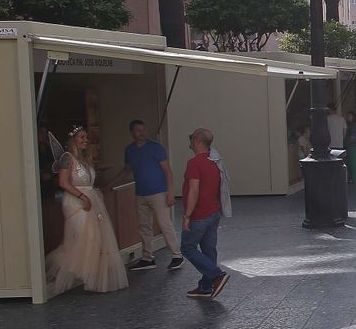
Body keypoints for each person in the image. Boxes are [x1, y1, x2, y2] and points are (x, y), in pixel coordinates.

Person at [45, 126, 128, 295]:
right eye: (82, 137)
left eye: (86, 137)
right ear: (73, 139)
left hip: (91, 198)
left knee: (95, 237)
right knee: (84, 236)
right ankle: (63, 270)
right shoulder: (67, 158)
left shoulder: (85, 158)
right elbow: (63, 182)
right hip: (76, 201)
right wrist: (82, 196)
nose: (86, 140)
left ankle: (91, 275)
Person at [123, 120, 183, 272]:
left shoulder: (156, 148)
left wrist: (170, 192)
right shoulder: (129, 150)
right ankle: (147, 257)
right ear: (132, 132)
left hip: (158, 192)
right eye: (138, 130)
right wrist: (111, 183)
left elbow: (167, 171)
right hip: (141, 193)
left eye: (143, 130)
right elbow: (127, 169)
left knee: (165, 224)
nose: (141, 133)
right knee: (144, 226)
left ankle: (177, 255)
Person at [181, 127, 230, 300]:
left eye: (191, 137)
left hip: (199, 214)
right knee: (209, 250)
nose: (189, 140)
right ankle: (206, 286)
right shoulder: (215, 161)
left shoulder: (194, 163)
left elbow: (194, 191)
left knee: (187, 248)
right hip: (213, 212)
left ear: (197, 141)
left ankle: (216, 275)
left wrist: (187, 216)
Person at [344, 111, 356, 184]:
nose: (348, 117)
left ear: (353, 117)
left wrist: (347, 143)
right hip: (354, 146)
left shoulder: (353, 125)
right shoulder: (351, 125)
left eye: (349, 116)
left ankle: (355, 178)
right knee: (354, 162)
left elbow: (352, 137)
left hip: (352, 146)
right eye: (347, 116)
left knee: (353, 162)